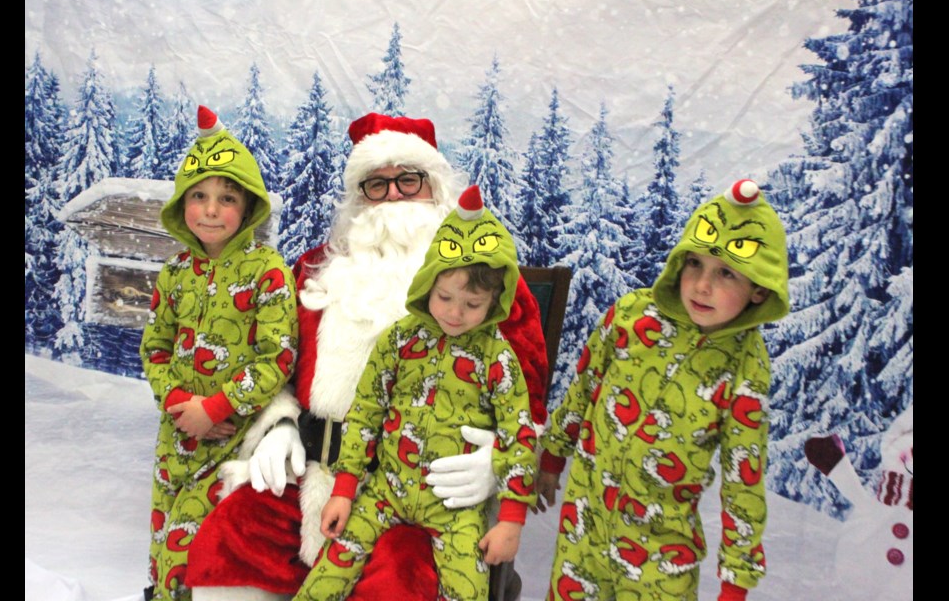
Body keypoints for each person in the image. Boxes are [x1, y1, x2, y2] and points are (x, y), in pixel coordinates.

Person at [188, 113, 548, 601]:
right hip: (316, 473)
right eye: (377, 185)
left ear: (436, 187)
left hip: (425, 495)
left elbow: (527, 390)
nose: (394, 196)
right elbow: (275, 359)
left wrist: (495, 463)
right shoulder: (317, 267)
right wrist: (279, 425)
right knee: (234, 532)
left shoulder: (487, 280)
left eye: (408, 180)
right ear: (359, 198)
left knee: (401, 576)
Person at [535, 179, 789, 601]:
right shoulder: (632, 315)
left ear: (759, 288)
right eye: (695, 264)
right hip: (585, 526)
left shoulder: (745, 364)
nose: (702, 285)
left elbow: (743, 476)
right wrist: (554, 456)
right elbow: (583, 389)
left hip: (661, 549)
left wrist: (735, 584)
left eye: (726, 272)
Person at [296, 185, 537, 600]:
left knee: (469, 589)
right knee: (327, 575)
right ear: (428, 284)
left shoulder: (498, 359)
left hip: (454, 508)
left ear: (495, 301)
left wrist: (511, 518)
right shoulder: (399, 340)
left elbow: (520, 435)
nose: (455, 313)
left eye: (473, 304)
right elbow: (366, 413)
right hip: (385, 490)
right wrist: (344, 489)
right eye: (445, 297)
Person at [140, 105, 299, 600]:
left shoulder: (268, 272)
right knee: (164, 541)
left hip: (231, 439)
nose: (211, 209)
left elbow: (277, 357)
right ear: (182, 204)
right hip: (177, 434)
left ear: (248, 208)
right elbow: (155, 347)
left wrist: (217, 407)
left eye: (226, 198)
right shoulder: (174, 272)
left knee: (201, 547)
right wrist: (180, 406)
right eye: (199, 196)